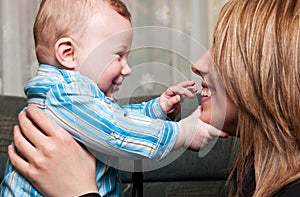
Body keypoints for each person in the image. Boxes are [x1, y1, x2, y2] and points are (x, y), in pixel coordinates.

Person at [1, 0, 227, 197]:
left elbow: (116, 117)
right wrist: (185, 133)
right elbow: (117, 132)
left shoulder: (76, 98)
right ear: (68, 53)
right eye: (119, 55)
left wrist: (156, 109)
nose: (127, 69)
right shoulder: (65, 94)